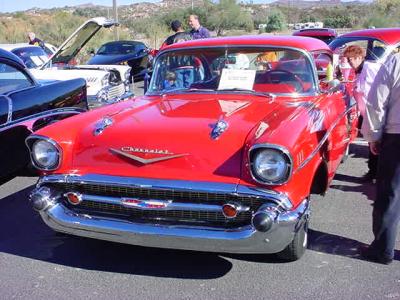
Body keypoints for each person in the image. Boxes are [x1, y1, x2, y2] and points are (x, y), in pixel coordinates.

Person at [360, 52, 400, 265]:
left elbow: (377, 100)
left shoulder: (396, 60)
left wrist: (373, 135)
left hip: (397, 135)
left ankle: (383, 249)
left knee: (390, 195)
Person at [343, 45, 380, 182]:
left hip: (375, 112)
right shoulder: (359, 71)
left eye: (352, 59)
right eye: (348, 59)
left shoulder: (369, 68)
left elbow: (377, 89)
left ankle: (376, 173)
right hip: (366, 113)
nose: (350, 62)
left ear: (359, 57)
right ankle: (373, 172)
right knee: (372, 142)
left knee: (376, 143)